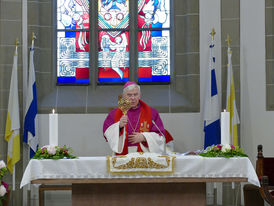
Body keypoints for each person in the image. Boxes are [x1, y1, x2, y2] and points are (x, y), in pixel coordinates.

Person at [103, 81, 166, 155]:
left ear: (140, 95)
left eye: (135, 94)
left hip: (145, 155)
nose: (133, 98)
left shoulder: (152, 112)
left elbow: (161, 136)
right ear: (123, 96)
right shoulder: (114, 113)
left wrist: (144, 137)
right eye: (129, 95)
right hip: (122, 155)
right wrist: (119, 126)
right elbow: (106, 134)